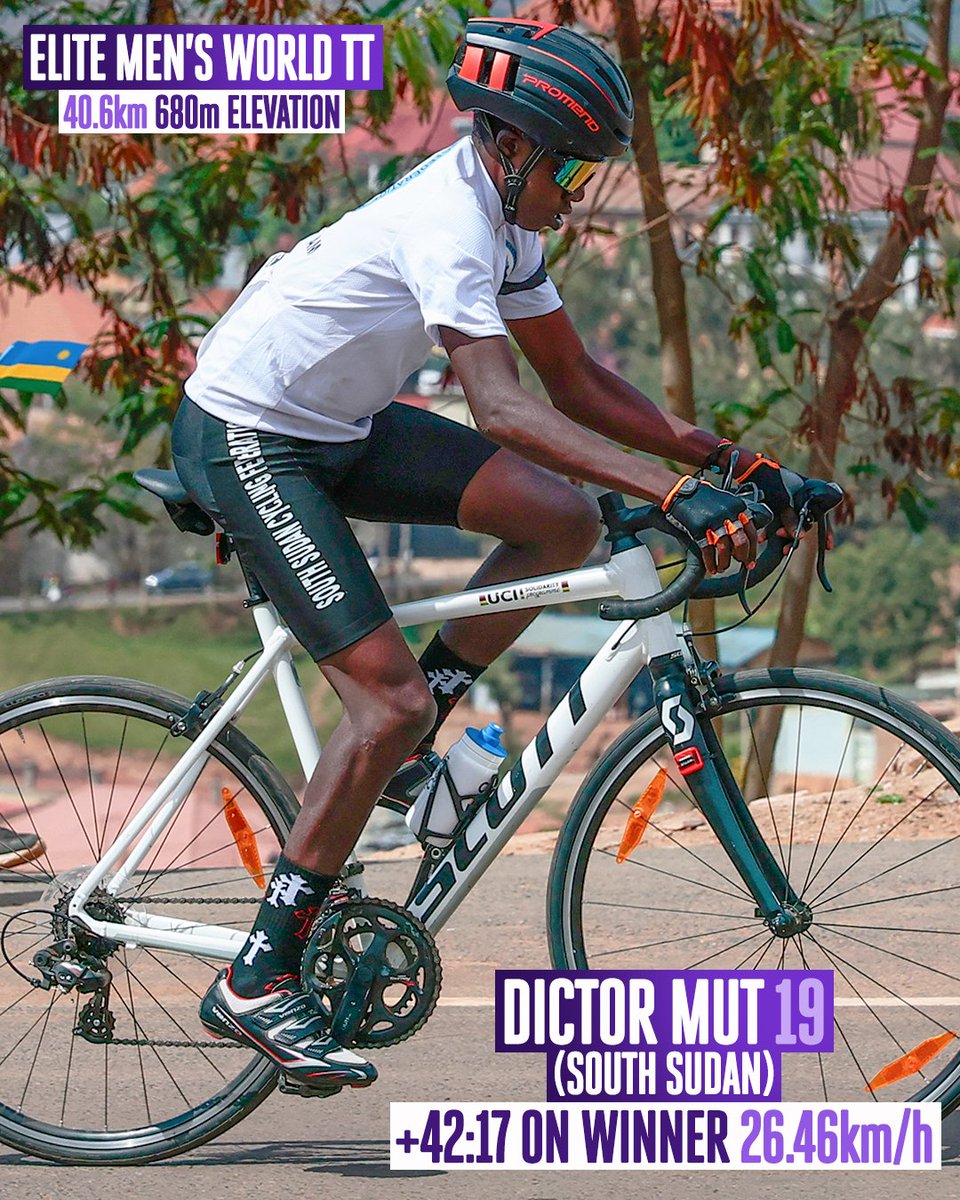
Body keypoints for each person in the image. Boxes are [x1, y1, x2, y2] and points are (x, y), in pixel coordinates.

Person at [173, 17, 817, 1092]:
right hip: (248, 432)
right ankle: (256, 974)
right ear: (510, 148)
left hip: (338, 421)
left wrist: (732, 463)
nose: (577, 194)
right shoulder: (450, 220)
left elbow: (579, 386)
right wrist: (668, 491)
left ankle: (405, 764)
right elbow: (503, 406)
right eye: (569, 168)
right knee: (385, 707)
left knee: (561, 521)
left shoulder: (510, 216)